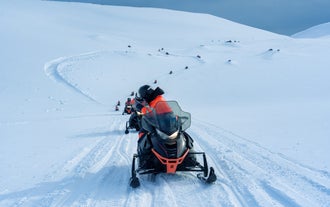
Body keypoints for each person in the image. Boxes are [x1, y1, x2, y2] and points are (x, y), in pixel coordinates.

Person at [136, 85, 170, 165]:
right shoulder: (157, 98)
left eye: (143, 96)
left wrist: (141, 108)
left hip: (162, 124)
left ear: (146, 94)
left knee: (143, 132)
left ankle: (143, 155)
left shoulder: (157, 100)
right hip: (164, 123)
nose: (143, 99)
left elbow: (150, 113)